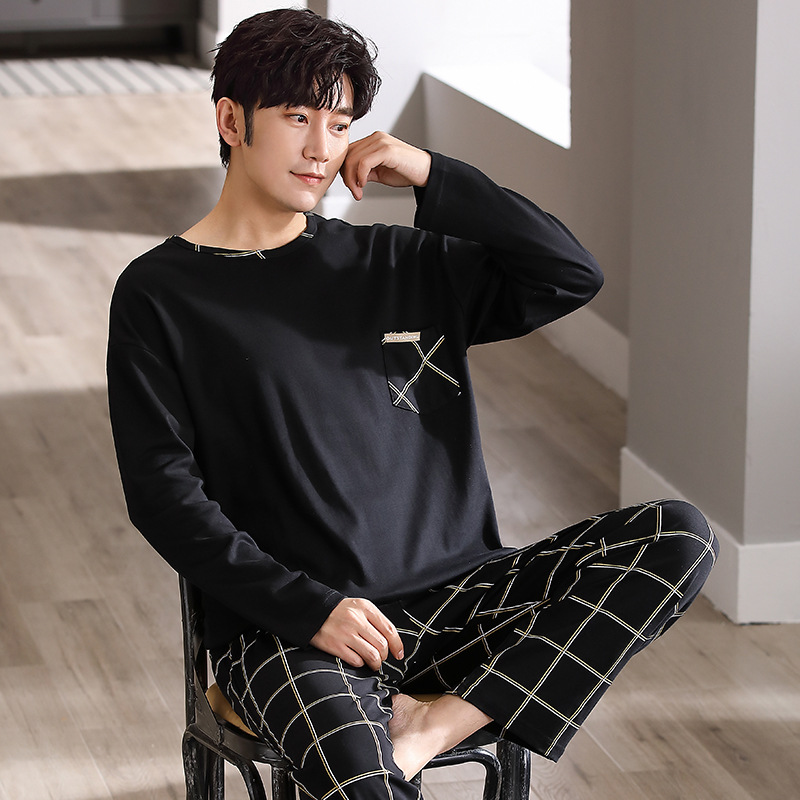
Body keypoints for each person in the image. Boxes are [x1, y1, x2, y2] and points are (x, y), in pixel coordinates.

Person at [107, 8, 718, 799]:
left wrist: (434, 175)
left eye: (339, 123)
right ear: (231, 121)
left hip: (461, 598)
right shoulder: (161, 293)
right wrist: (309, 609)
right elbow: (164, 497)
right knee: (367, 785)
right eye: (296, 117)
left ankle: (437, 723)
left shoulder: (399, 263)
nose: (321, 147)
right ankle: (412, 724)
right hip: (296, 631)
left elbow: (570, 273)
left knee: (678, 535)